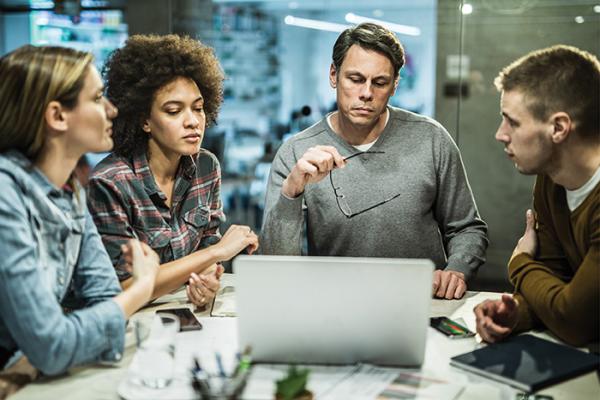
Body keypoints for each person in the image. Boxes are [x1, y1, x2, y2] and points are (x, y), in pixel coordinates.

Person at [261, 23, 488, 299]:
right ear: (334, 75)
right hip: (337, 307)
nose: (366, 93)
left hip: (421, 303)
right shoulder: (296, 153)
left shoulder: (431, 139)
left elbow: (466, 227)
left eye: (379, 82)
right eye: (355, 79)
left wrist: (457, 270)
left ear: (394, 85)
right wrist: (291, 192)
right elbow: (275, 266)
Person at [0, 45, 160, 376]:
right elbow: (52, 346)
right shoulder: (5, 196)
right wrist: (142, 288)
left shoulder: (70, 189)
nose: (112, 109)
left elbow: (106, 309)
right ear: (57, 115)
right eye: (97, 97)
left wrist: (84, 331)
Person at [87, 34, 259, 308]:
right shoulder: (110, 183)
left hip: (186, 315)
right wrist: (217, 253)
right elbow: (127, 286)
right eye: (173, 111)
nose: (193, 122)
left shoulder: (206, 167)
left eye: (199, 108)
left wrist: (208, 280)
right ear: (144, 120)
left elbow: (206, 252)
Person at [474, 45, 600, 346]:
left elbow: (575, 321)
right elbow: (556, 279)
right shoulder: (551, 179)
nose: (500, 134)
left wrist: (519, 262)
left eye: (512, 121)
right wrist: (517, 312)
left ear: (558, 127)